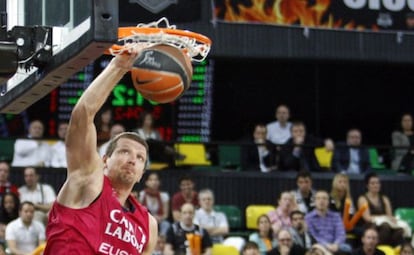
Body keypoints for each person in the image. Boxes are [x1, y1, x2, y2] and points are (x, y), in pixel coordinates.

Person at [43, 50, 158, 254]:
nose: (132, 159)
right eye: (124, 152)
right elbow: (82, 115)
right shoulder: (89, 180)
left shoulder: (148, 224)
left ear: (142, 174)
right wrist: (118, 67)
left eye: (140, 158)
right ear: (105, 160)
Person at [357, 172, 405, 247]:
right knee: (385, 226)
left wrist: (392, 219)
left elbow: (389, 216)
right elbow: (367, 218)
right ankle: (376, 248)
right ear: (367, 185)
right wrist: (383, 218)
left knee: (400, 230)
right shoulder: (362, 199)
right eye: (373, 183)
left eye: (377, 183)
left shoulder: (385, 199)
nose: (376, 185)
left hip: (386, 225)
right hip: (370, 225)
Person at [305, 190, 352, 254]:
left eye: (324, 198)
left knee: (348, 248)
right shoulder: (308, 217)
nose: (321, 201)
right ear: (314, 202)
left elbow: (341, 233)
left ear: (328, 202)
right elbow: (313, 235)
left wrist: (336, 244)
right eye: (318, 198)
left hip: (336, 245)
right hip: (318, 245)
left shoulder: (336, 216)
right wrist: (327, 245)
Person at [138, 172, 171, 236]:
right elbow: (139, 212)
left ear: (159, 182)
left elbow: (166, 215)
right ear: (146, 182)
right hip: (146, 219)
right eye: (151, 180)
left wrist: (159, 218)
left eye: (156, 180)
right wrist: (151, 218)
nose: (154, 182)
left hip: (159, 220)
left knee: (166, 224)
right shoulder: (142, 195)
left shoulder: (164, 196)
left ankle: (162, 239)